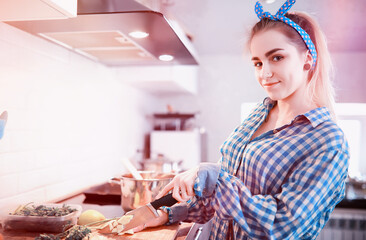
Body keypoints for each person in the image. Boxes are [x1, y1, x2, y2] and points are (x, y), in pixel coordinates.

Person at [134, 0, 349, 239]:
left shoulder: (327, 141)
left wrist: (213, 178)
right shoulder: (260, 113)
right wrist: (171, 214)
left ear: (308, 59)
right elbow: (228, 201)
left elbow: (280, 226)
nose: (264, 74)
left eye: (276, 58)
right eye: (257, 62)